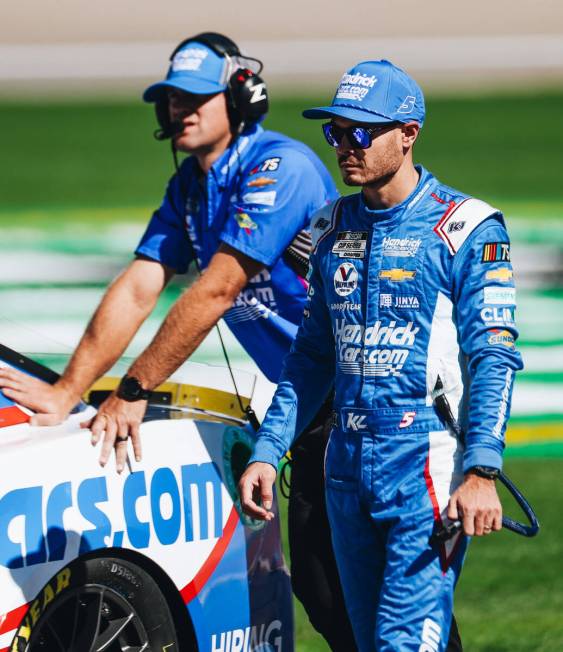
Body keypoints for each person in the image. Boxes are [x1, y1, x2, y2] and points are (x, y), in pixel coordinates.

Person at [0, 39, 462, 652]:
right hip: (311, 405)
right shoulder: (190, 188)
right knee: (328, 590)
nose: (180, 111)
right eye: (171, 99)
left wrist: (134, 391)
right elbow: (140, 286)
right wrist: (68, 390)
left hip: (376, 401)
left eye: (196, 98)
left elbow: (217, 289)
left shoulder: (281, 167)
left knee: (396, 593)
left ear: (242, 98)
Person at [239, 58, 523, 651]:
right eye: (335, 132)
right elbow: (311, 356)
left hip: (425, 471)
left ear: (408, 133)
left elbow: (493, 357)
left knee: (401, 642)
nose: (346, 146)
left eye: (361, 132)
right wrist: (270, 450)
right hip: (343, 470)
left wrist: (481, 470)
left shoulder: (466, 228)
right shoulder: (330, 227)